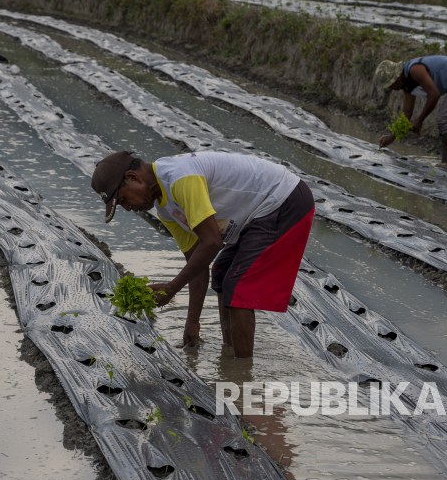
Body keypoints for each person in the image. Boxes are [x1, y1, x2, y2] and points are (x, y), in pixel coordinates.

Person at [91, 151, 314, 359]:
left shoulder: (179, 177)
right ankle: (230, 354)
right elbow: (196, 258)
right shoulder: (164, 207)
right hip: (256, 214)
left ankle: (242, 375)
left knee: (237, 286)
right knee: (222, 273)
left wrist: (172, 287)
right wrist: (192, 322)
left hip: (283, 199)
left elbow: (212, 242)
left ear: (133, 177)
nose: (128, 208)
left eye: (123, 200)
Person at [374, 55, 447, 169]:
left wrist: (420, 120)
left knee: (444, 120)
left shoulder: (415, 70)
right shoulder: (406, 85)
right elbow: (406, 114)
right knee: (446, 124)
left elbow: (434, 94)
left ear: (397, 77)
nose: (391, 88)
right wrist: (391, 137)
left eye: (390, 84)